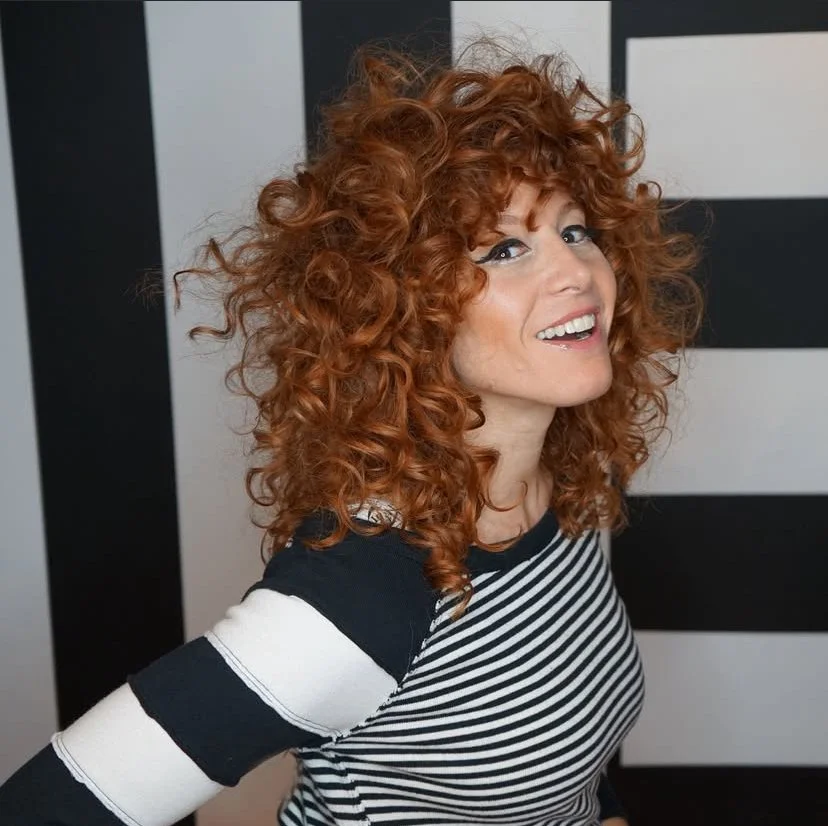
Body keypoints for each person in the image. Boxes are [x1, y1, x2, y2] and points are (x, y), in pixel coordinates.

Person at [0, 39, 702, 826]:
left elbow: (564, 764)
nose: (576, 273)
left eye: (574, 232)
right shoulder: (359, 595)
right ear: (405, 311)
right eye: (505, 249)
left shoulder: (553, 489)